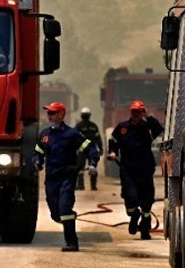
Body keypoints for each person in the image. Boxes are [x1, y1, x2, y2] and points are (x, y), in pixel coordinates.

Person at [33, 101, 100, 252]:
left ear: (61, 114)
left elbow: (90, 148)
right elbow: (38, 152)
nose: (49, 115)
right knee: (56, 215)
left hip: (67, 178)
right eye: (48, 113)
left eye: (52, 113)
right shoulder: (44, 135)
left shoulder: (72, 134)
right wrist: (37, 161)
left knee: (64, 208)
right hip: (51, 179)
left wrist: (92, 163)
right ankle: (68, 216)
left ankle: (72, 242)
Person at [107, 100, 164, 239]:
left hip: (145, 168)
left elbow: (159, 130)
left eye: (139, 112)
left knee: (146, 200)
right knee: (130, 196)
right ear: (130, 112)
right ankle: (134, 215)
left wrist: (148, 116)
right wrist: (113, 152)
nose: (136, 114)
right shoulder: (122, 128)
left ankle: (145, 228)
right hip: (128, 169)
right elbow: (113, 141)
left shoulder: (147, 127)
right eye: (134, 111)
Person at [74, 107, 103, 191]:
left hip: (82, 149)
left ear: (81, 116)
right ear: (89, 115)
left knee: (80, 168)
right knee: (93, 166)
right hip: (92, 149)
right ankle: (93, 186)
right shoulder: (94, 126)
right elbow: (98, 138)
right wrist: (100, 148)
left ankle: (80, 185)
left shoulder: (79, 126)